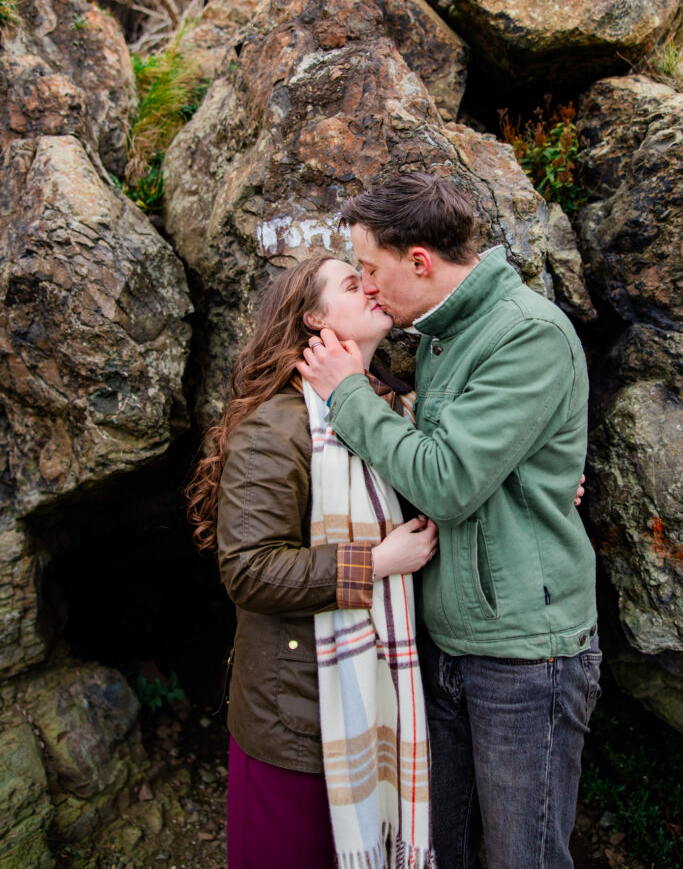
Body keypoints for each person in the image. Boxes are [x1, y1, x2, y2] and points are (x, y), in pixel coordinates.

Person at [297, 171, 600, 869]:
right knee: (443, 850)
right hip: (446, 643)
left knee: (522, 856)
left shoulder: (526, 334)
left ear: (420, 262)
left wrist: (346, 394)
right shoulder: (436, 336)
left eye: (370, 270)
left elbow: (445, 480)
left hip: (526, 654)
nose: (366, 288)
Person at [185, 256, 438, 869]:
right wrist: (375, 562)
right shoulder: (276, 426)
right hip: (296, 715)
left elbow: (453, 485)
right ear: (314, 319)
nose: (372, 287)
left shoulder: (393, 410)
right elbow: (248, 569)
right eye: (353, 285)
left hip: (386, 698)